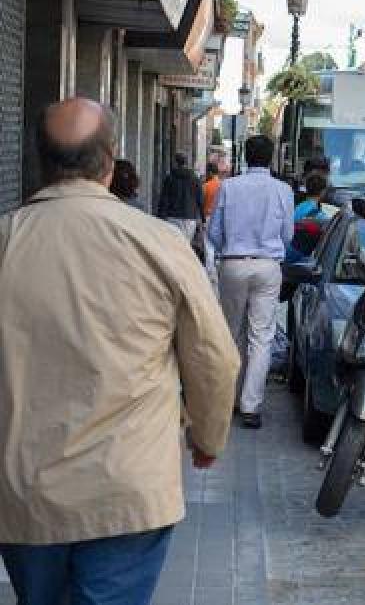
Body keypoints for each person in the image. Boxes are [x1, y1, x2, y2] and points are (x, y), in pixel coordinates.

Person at [0, 99, 239, 603]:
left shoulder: (6, 241)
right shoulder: (157, 242)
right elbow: (215, 357)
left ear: (40, 160)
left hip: (23, 487)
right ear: (111, 159)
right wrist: (207, 436)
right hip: (127, 487)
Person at [207, 135, 294, 430]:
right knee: (261, 336)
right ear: (270, 158)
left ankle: (227, 398)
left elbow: (214, 231)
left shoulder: (229, 187)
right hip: (268, 265)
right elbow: (288, 235)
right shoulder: (283, 190)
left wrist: (227, 250)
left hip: (233, 263)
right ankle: (251, 405)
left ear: (245, 155)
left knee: (232, 332)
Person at [156, 152, 204, 243]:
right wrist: (202, 218)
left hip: (172, 216)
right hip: (190, 217)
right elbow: (200, 200)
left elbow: (164, 199)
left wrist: (160, 216)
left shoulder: (169, 178)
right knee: (185, 246)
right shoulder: (195, 179)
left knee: (172, 244)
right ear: (187, 162)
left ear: (175, 162)